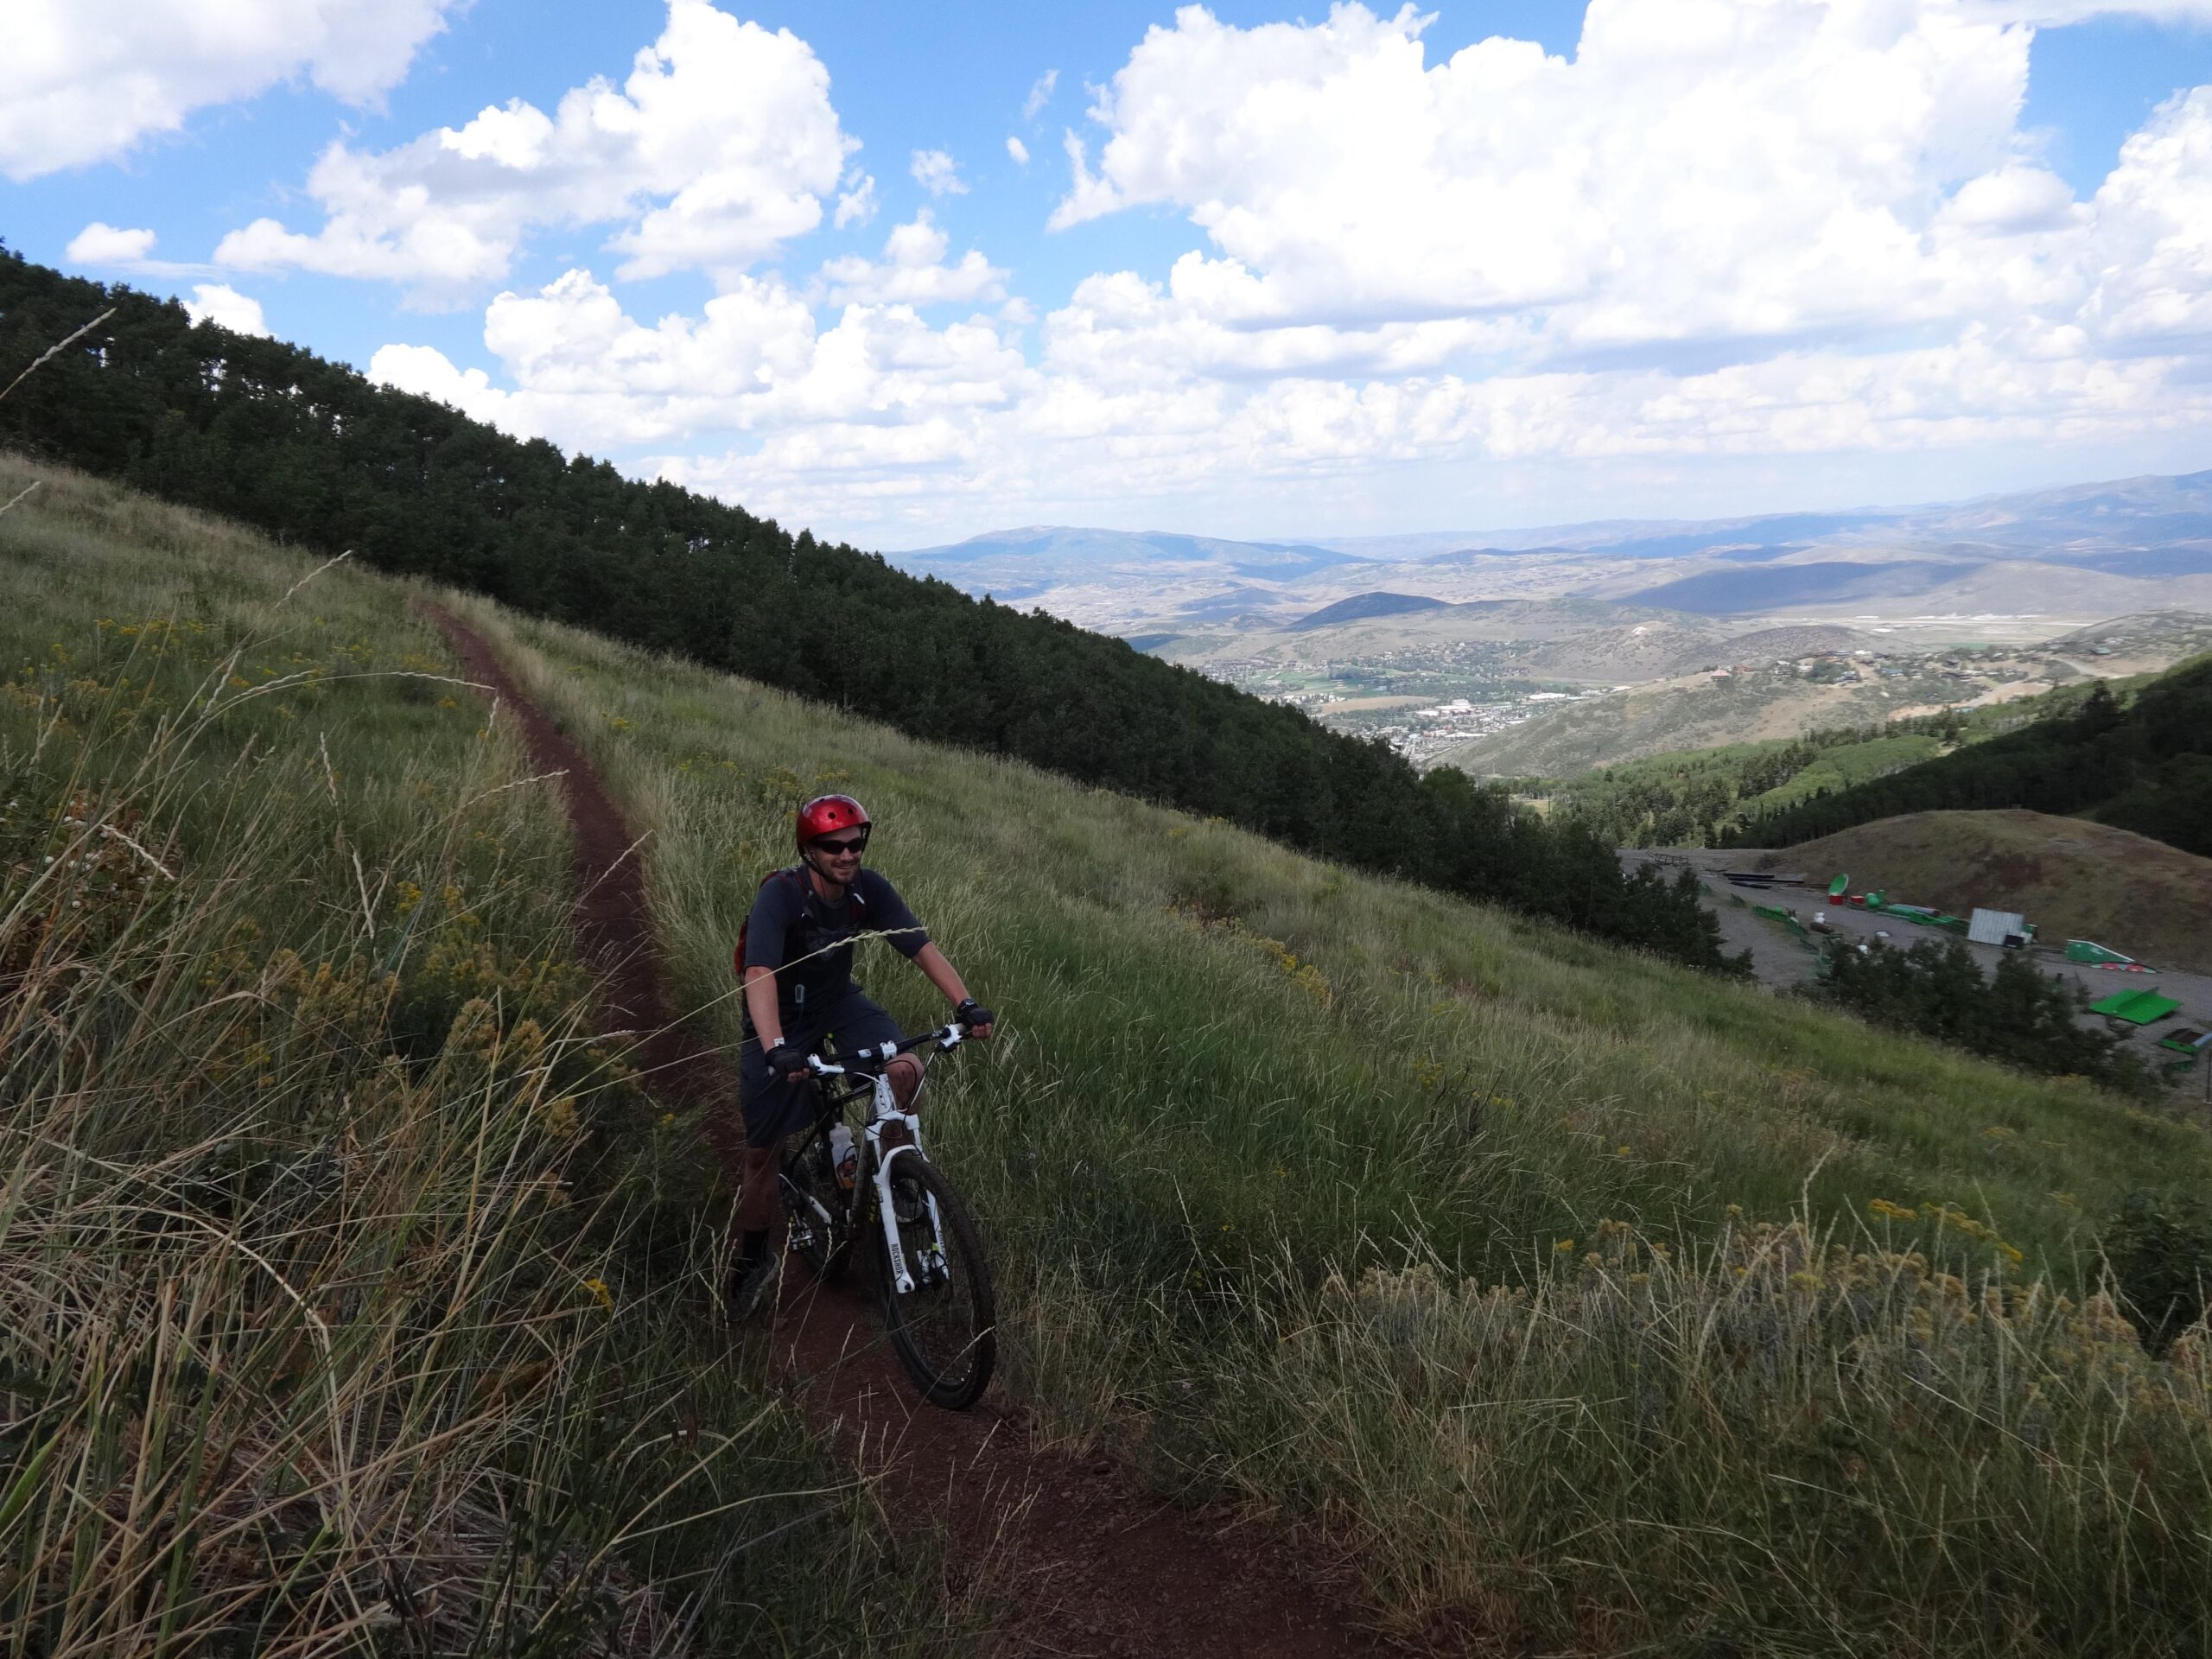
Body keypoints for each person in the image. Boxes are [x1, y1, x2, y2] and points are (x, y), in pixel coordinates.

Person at [725, 792, 994, 1321]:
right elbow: (758, 973)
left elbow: (920, 946)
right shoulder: (782, 897)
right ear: (810, 851)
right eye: (834, 847)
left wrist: (964, 1003)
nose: (848, 855)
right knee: (762, 1154)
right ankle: (753, 1258)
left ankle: (895, 1178)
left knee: (905, 1069)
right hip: (778, 1016)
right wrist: (777, 1048)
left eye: (855, 844)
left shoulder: (867, 891)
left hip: (837, 1002)